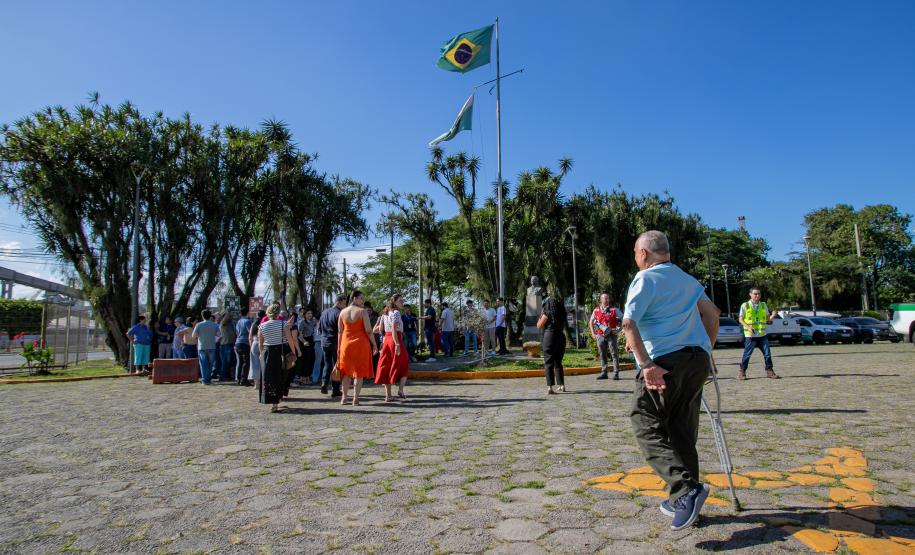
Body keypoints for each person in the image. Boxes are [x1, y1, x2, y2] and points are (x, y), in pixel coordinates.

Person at [622, 230, 719, 531]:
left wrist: (646, 364)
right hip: (697, 360)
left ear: (644, 253)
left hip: (665, 362)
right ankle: (686, 502)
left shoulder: (645, 278)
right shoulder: (687, 279)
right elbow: (712, 313)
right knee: (682, 430)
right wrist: (705, 350)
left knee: (644, 423)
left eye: (636, 252)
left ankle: (685, 489)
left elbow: (628, 322)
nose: (636, 257)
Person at [337, 291, 378, 406]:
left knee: (346, 372)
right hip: (360, 344)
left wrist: (339, 347)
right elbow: (369, 331)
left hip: (346, 344)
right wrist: (374, 345)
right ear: (354, 298)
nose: (362, 301)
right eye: (361, 298)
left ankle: (344, 398)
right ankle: (355, 398)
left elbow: (340, 331)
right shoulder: (362, 312)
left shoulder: (342, 312)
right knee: (358, 373)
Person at [258, 303, 295, 413]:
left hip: (267, 351)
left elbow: (260, 343)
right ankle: (276, 401)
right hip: (280, 351)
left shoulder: (262, 326)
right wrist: (293, 352)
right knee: (279, 376)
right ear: (279, 313)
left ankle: (269, 399)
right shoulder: (283, 324)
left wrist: (261, 354)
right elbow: (290, 339)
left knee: (268, 376)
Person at [738, 288, 779, 380]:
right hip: (751, 336)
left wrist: (773, 316)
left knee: (767, 353)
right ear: (750, 294)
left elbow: (767, 320)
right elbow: (740, 319)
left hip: (762, 335)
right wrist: (748, 327)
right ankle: (742, 371)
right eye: (755, 294)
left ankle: (770, 371)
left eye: (759, 294)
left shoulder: (763, 305)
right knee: (747, 354)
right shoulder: (745, 305)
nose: (757, 295)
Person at [375, 294, 410, 401]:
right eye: (400, 301)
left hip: (386, 340)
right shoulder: (396, 313)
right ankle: (400, 389)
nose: (402, 303)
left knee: (386, 366)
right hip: (395, 339)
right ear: (394, 302)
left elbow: (379, 329)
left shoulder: (384, 314)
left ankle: (388, 395)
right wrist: (397, 344)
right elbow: (394, 329)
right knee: (404, 363)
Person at [537, 291, 567, 394]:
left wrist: (541, 315)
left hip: (550, 336)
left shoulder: (547, 312)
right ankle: (561, 385)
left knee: (548, 361)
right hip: (561, 336)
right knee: (558, 362)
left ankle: (550, 387)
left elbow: (539, 325)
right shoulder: (562, 313)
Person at [318, 295, 347, 397]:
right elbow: (341, 330)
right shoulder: (339, 313)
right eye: (344, 303)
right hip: (335, 342)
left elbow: (319, 328)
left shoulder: (324, 312)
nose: (345, 305)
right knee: (336, 365)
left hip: (324, 341)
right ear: (338, 302)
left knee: (327, 364)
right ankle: (335, 389)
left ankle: (324, 383)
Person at [590, 292, 623, 380]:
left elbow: (623, 319)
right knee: (602, 354)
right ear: (600, 299)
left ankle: (616, 373)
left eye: (608, 298)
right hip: (600, 335)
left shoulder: (614, 310)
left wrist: (618, 330)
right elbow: (591, 321)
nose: (606, 299)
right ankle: (604, 372)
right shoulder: (596, 310)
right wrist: (593, 333)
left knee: (614, 354)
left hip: (611, 334)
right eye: (604, 298)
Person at [192, 310, 220, 385]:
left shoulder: (198, 325)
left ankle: (205, 380)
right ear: (210, 316)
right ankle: (208, 378)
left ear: (202, 316)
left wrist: (200, 335)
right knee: (210, 364)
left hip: (202, 346)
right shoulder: (214, 325)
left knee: (203, 364)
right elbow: (219, 334)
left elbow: (193, 336)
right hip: (212, 346)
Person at [296, 308, 317, 385]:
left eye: (310, 314)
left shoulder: (311, 322)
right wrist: (304, 341)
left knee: (311, 359)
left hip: (311, 341)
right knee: (304, 360)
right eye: (308, 313)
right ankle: (302, 378)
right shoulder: (301, 322)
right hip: (304, 342)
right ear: (304, 314)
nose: (310, 315)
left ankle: (307, 376)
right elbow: (299, 334)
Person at [234, 308, 253, 386]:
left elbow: (236, 332)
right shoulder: (248, 321)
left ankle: (238, 378)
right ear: (247, 313)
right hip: (245, 343)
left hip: (238, 342)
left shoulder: (238, 321)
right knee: (246, 361)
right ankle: (244, 379)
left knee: (240, 362)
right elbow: (250, 332)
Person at [248, 310, 265, 390]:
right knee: (263, 363)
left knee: (254, 364)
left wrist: (251, 346)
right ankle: (263, 383)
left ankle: (256, 384)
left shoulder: (254, 324)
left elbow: (250, 337)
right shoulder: (265, 323)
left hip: (255, 343)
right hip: (264, 344)